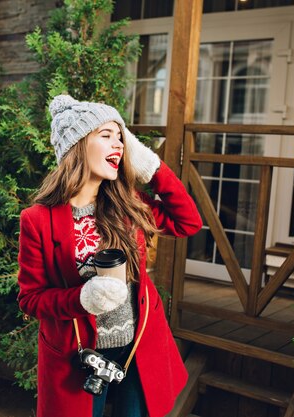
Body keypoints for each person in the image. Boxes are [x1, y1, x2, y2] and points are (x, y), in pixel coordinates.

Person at [17, 94, 202, 417]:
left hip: (138, 348)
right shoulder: (37, 220)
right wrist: (83, 298)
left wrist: (151, 166)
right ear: (77, 146)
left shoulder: (128, 204)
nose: (118, 145)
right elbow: (31, 299)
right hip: (76, 356)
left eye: (121, 138)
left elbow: (188, 221)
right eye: (106, 135)